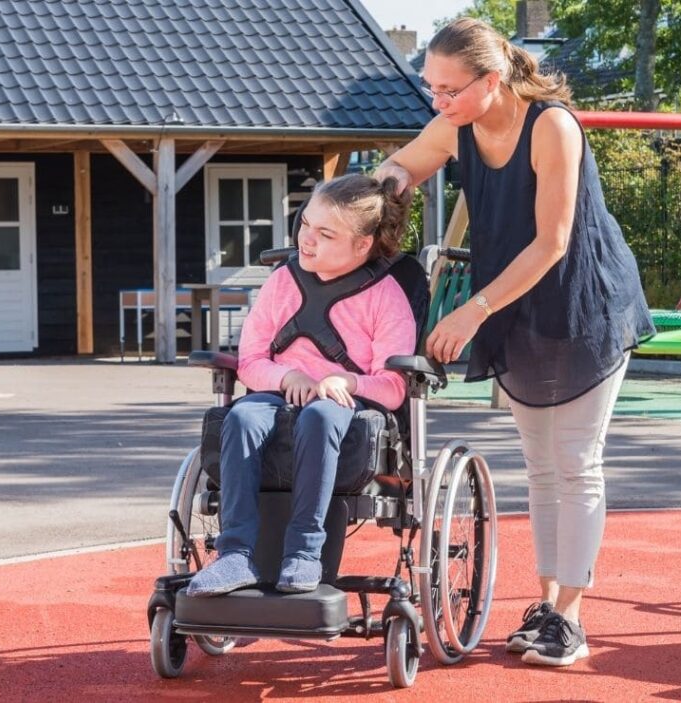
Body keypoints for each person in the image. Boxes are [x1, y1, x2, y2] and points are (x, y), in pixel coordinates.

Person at [374, 18, 655, 667]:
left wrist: (472, 312)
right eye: (432, 88)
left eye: (450, 90)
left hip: (584, 300)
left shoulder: (551, 126)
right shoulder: (455, 127)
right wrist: (383, 183)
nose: (438, 101)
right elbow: (403, 163)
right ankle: (549, 604)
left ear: (492, 79)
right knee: (540, 465)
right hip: (516, 304)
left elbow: (553, 243)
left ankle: (571, 617)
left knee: (575, 459)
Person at [186, 174, 416, 597]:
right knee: (240, 417)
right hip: (277, 394)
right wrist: (287, 376)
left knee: (320, 417)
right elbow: (251, 361)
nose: (306, 239)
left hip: (343, 404)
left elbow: (393, 387)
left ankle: (305, 552)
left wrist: (345, 380)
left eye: (325, 234)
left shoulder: (386, 297)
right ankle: (235, 554)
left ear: (362, 245)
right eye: (305, 224)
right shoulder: (281, 283)